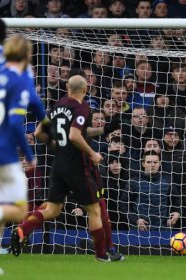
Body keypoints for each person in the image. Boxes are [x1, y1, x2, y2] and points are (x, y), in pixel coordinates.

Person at [11, 75, 118, 262]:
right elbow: (75, 135)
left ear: (68, 87)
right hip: (78, 166)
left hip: (58, 164)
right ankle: (102, 255)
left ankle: (22, 230)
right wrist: (93, 154)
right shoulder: (82, 107)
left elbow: (38, 133)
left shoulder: (57, 106)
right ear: (84, 90)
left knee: (52, 209)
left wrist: (55, 144)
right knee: (94, 210)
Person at [0, 34, 43, 261]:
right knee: (17, 208)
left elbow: (35, 102)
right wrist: (29, 154)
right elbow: (17, 122)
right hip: (3, 151)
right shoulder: (20, 77)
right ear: (26, 54)